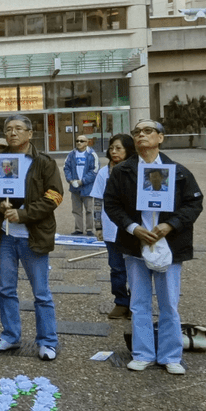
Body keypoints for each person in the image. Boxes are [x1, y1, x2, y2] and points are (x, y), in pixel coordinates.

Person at [104, 119, 204, 375]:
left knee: (169, 303)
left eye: (148, 131)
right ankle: (143, 353)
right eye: (136, 132)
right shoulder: (123, 171)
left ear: (161, 137)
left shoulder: (178, 171)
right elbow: (111, 204)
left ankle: (171, 355)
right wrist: (133, 228)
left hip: (169, 245)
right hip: (135, 245)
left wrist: (170, 226)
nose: (140, 135)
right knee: (139, 303)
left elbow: (194, 203)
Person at [0, 114, 63, 361]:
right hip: (4, 236)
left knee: (41, 292)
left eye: (18, 129)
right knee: (6, 289)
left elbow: (55, 195)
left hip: (33, 236)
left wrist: (24, 214)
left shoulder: (43, 162)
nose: (12, 133)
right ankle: (10, 336)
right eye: (8, 129)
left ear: (30, 133)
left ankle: (47, 341)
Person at [90, 133, 135, 319]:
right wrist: (98, 227)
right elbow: (97, 202)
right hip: (111, 229)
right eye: (111, 148)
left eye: (119, 148)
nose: (114, 152)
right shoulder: (103, 172)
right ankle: (121, 301)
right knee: (116, 268)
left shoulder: (136, 169)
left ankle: (136, 302)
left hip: (133, 228)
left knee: (135, 267)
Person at [63, 134, 99, 236]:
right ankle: (78, 229)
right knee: (76, 210)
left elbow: (94, 171)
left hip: (87, 188)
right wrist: (70, 180)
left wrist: (82, 181)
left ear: (87, 143)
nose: (79, 142)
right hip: (74, 188)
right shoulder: (71, 154)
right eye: (77, 141)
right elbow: (66, 168)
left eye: (82, 141)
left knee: (89, 210)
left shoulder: (92, 154)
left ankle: (89, 229)